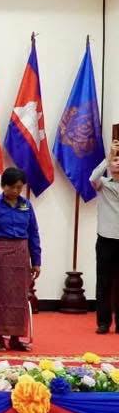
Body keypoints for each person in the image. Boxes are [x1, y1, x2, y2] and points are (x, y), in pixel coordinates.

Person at [0, 167, 41, 352]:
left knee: (19, 297)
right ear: (3, 185)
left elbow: (33, 233)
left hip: (21, 254)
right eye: (12, 187)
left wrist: (36, 261)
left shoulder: (26, 205)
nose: (15, 191)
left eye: (19, 187)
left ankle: (15, 338)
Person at [90, 140, 119, 334]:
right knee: (104, 282)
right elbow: (93, 177)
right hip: (106, 239)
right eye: (116, 160)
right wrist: (109, 156)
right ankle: (103, 322)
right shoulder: (103, 184)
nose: (118, 163)